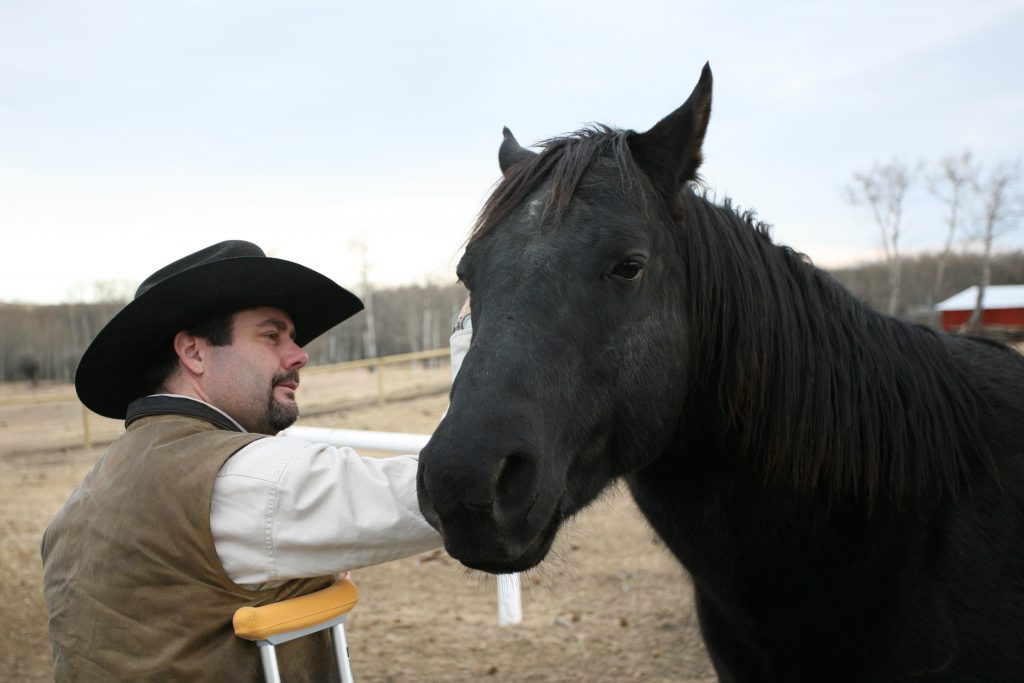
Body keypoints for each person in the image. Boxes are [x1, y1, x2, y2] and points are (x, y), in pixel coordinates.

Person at [41, 240, 472, 682]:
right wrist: (472, 330)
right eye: (272, 335)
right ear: (194, 353)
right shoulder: (241, 478)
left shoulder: (87, 493)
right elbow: (455, 487)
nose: (298, 354)